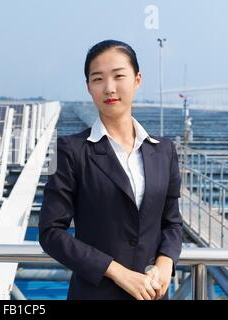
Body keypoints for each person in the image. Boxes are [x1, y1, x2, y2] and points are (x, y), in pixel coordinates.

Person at [38, 39, 183, 300]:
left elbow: (171, 222)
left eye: (119, 76)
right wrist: (116, 271)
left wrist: (165, 263)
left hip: (152, 294)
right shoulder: (68, 150)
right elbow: (51, 232)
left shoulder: (164, 151)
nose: (109, 88)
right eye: (98, 79)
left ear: (137, 80)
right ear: (88, 87)